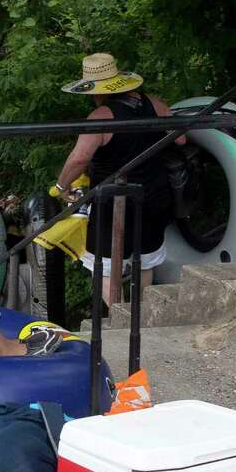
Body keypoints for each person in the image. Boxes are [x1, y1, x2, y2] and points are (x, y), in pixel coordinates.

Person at [55, 53, 186, 294]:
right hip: (155, 195)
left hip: (113, 201)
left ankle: (119, 318)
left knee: (105, 266)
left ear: (96, 91)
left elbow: (80, 158)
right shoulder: (155, 104)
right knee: (145, 259)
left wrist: (62, 186)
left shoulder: (100, 118)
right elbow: (181, 138)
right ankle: (141, 312)